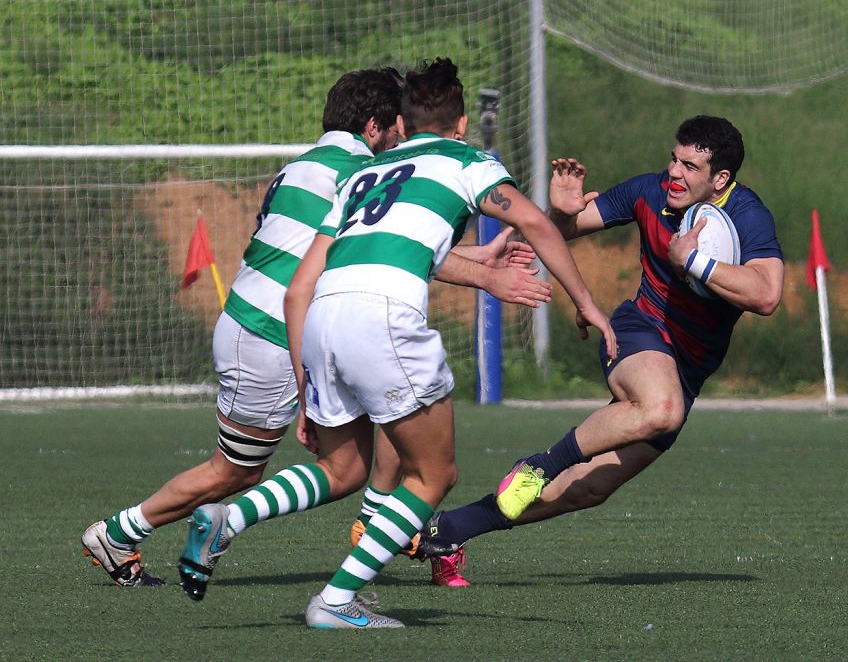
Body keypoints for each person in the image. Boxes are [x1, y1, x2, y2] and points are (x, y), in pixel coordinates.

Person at [181, 57, 616, 629]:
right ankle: (336, 601)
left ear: (404, 125)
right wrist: (586, 304)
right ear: (460, 124)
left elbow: (298, 291)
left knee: (343, 468)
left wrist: (308, 384)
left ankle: (229, 519)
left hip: (319, 320)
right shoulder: (467, 160)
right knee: (434, 475)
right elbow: (535, 223)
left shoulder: (359, 178)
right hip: (381, 316)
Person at [81, 66, 550, 589]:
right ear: (375, 126)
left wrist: (483, 263)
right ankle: (121, 532)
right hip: (273, 333)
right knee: (236, 471)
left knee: (387, 410)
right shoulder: (353, 172)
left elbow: (379, 251)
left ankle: (380, 519)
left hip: (266, 323)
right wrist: (488, 273)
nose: (405, 133)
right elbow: (389, 250)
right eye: (397, 124)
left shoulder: (313, 164)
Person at [413, 115, 785, 585]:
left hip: (687, 369)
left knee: (587, 489)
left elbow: (766, 294)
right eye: (674, 159)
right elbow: (562, 230)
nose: (674, 172)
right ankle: (537, 466)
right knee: (660, 408)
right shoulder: (647, 191)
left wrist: (692, 259)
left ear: (721, 179)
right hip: (637, 332)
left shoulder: (747, 214)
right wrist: (565, 212)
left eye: (690, 167)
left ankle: (448, 530)